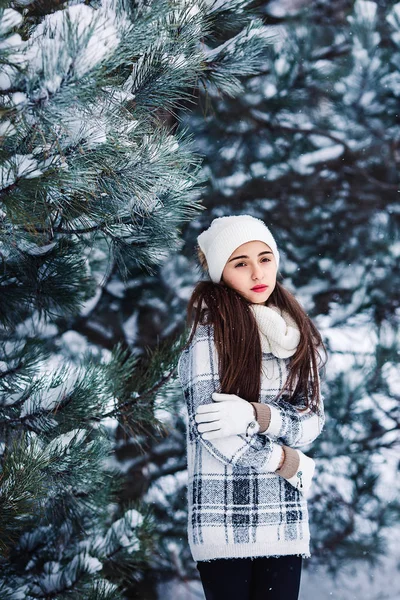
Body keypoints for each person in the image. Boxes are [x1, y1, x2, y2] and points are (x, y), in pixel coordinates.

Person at [177, 215, 327, 600]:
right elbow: (216, 436)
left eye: (265, 258)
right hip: (223, 519)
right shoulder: (208, 339)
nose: (257, 272)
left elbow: (311, 420)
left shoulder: (296, 335)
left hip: (284, 520)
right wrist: (283, 461)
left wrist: (259, 416)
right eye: (240, 263)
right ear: (220, 273)